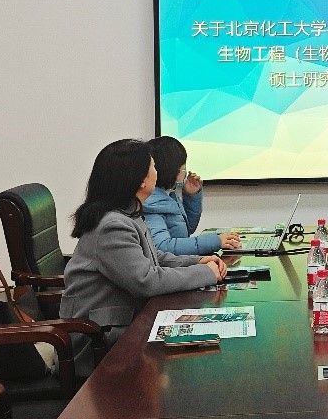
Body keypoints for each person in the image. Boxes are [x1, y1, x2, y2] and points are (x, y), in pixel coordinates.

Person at [61, 139, 227, 352]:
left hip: (125, 322)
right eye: (153, 166)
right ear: (141, 180)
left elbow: (155, 256)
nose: (157, 171)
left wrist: (198, 261)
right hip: (100, 338)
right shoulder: (112, 225)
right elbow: (146, 281)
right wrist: (205, 273)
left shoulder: (127, 213)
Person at [143, 136, 241, 255]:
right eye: (182, 164)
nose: (185, 169)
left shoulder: (169, 194)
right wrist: (216, 241)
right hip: (172, 266)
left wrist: (191, 196)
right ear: (172, 168)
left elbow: (186, 230)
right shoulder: (152, 204)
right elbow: (162, 247)